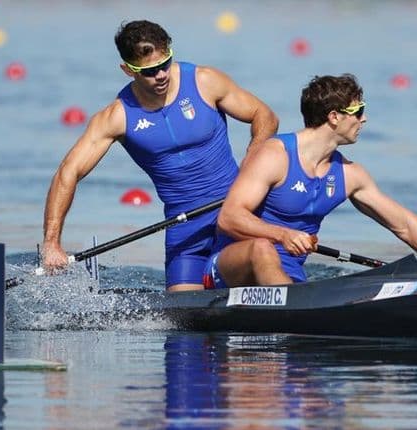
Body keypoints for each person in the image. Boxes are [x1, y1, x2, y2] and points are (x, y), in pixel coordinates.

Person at [42, 20, 278, 291]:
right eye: (150, 71)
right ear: (128, 70)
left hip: (237, 212)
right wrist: (51, 243)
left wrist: (253, 158)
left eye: (165, 63)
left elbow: (264, 115)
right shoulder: (117, 117)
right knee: (184, 313)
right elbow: (68, 172)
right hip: (184, 231)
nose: (162, 75)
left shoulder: (204, 82)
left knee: (256, 269)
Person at [203, 74, 417, 288]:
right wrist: (283, 235)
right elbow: (229, 218)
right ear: (334, 117)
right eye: (358, 111)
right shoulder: (275, 155)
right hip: (229, 269)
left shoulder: (349, 175)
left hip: (288, 278)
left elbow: (405, 225)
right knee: (263, 249)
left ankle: (294, 303)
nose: (364, 119)